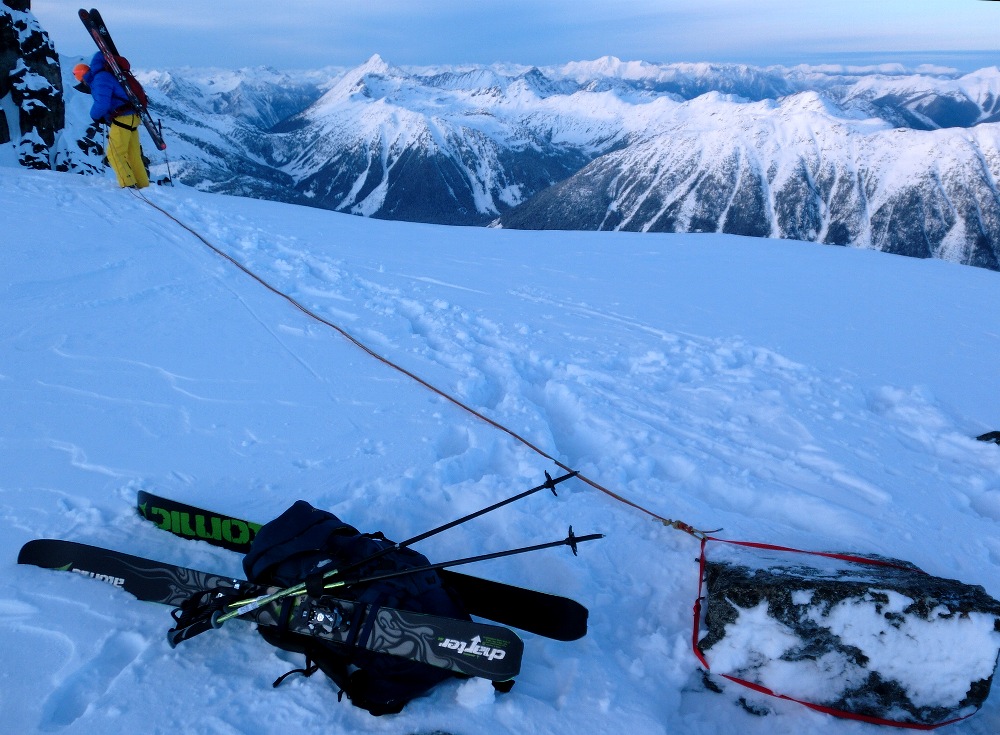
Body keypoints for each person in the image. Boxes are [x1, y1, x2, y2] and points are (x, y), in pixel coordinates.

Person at [74, 53, 149, 189]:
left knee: (114, 154)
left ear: (83, 78)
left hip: (122, 118)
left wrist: (95, 116)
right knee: (133, 155)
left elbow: (102, 103)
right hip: (133, 116)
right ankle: (143, 186)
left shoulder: (99, 79)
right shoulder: (107, 75)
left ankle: (128, 185)